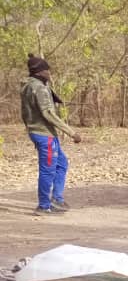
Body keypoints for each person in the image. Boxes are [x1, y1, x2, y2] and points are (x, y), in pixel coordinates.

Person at [20, 54, 82, 216]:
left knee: (61, 164)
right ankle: (43, 205)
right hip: (43, 134)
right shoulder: (38, 88)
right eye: (47, 70)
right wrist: (71, 132)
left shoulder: (32, 85)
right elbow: (47, 113)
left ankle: (56, 198)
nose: (49, 72)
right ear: (39, 72)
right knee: (47, 170)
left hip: (43, 132)